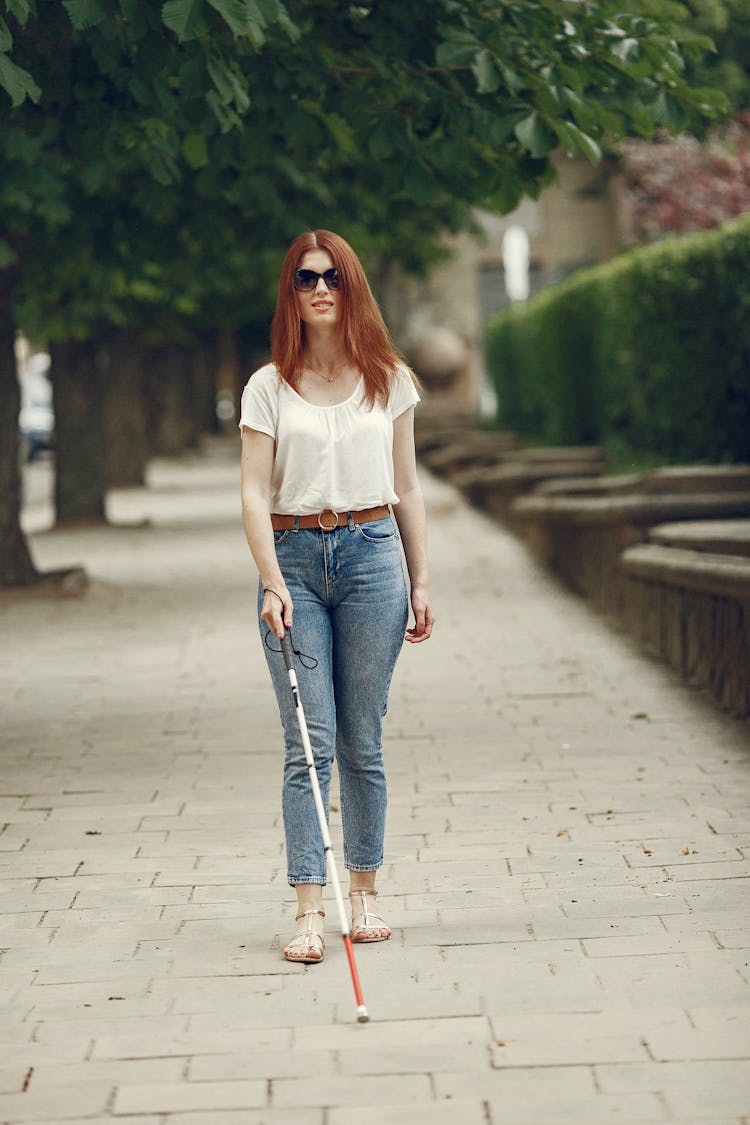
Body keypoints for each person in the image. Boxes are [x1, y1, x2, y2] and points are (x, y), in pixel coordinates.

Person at [239, 229, 435, 964]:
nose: (320, 289)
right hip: (291, 556)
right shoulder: (268, 385)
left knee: (362, 737)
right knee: (308, 743)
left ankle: (365, 895)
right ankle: (307, 909)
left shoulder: (390, 378)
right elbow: (255, 494)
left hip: (372, 556)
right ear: (290, 291)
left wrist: (421, 580)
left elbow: (407, 487)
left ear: (352, 287)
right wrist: (270, 579)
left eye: (333, 277)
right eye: (305, 278)